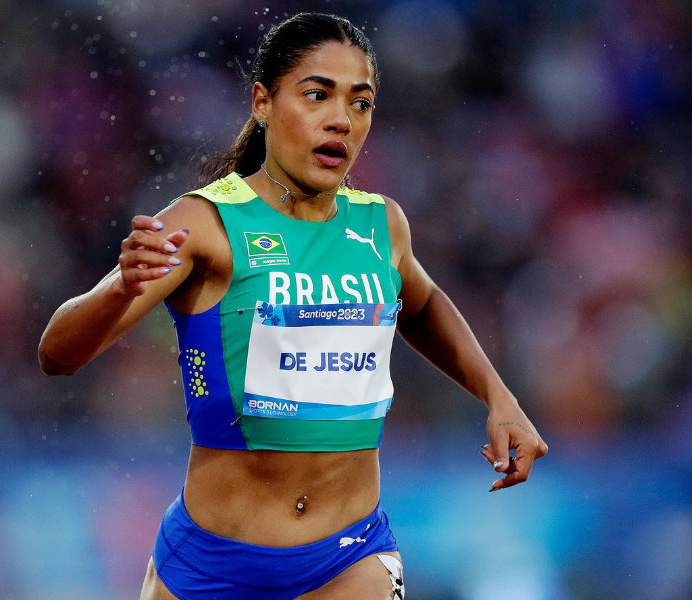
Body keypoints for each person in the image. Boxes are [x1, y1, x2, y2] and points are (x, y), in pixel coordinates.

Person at [39, 12, 548, 600]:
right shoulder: (204, 224)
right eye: (317, 95)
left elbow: (423, 303)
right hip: (212, 566)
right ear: (262, 102)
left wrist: (498, 395)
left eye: (361, 104)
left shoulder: (381, 224)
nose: (341, 120)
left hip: (350, 556)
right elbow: (58, 354)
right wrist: (122, 288)